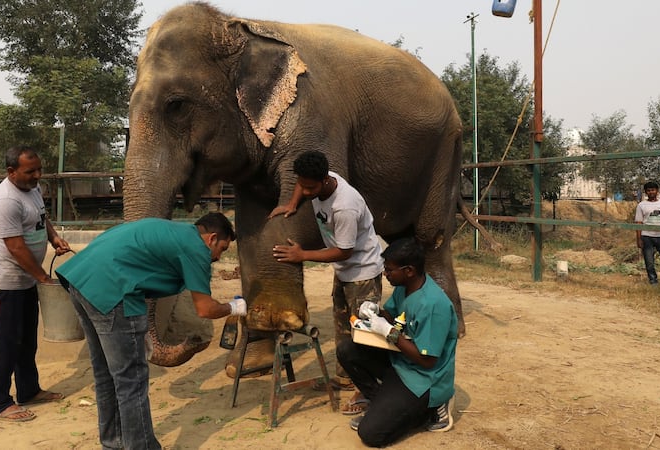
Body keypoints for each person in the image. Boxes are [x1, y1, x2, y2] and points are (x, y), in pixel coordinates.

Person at [55, 212, 247, 450]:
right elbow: (205, 309)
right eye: (222, 249)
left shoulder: (173, 231)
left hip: (80, 280)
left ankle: (113, 443)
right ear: (211, 238)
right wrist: (236, 306)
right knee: (131, 380)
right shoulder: (195, 248)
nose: (218, 257)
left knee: (105, 373)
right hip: (114, 291)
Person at [269, 150, 383, 415]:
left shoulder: (345, 206)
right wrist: (292, 204)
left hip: (362, 272)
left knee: (364, 333)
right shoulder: (315, 183)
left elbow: (345, 250)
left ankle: (365, 390)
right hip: (344, 272)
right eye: (302, 185)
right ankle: (345, 377)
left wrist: (302, 255)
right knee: (342, 327)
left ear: (324, 181)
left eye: (310, 188)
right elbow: (300, 185)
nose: (305, 191)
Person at [338, 237, 458, 447]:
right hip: (401, 361)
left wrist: (389, 332)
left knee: (371, 435)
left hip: (424, 379)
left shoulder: (433, 305)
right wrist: (376, 311)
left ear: (409, 270)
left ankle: (431, 407)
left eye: (389, 270)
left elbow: (426, 360)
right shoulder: (405, 287)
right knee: (348, 350)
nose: (385, 274)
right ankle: (381, 405)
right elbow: (394, 316)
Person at [0, 146, 71, 422]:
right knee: (4, 342)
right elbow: (16, 248)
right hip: (5, 283)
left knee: (26, 341)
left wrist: (53, 238)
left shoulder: (33, 189)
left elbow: (42, 218)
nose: (37, 175)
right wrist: (43, 277)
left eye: (39, 169)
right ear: (11, 172)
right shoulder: (4, 201)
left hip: (27, 280)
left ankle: (29, 390)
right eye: (30, 171)